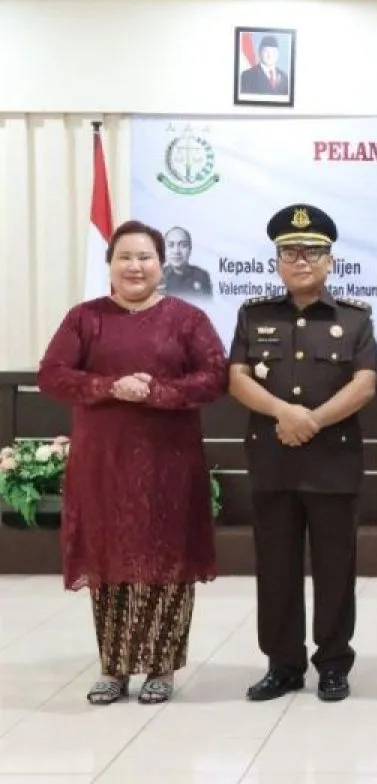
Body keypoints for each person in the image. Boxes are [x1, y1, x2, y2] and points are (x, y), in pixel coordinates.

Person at [36, 219, 228, 705]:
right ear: (110, 264)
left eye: (145, 257)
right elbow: (52, 375)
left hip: (170, 463)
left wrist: (157, 391)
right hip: (104, 463)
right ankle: (114, 666)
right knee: (108, 558)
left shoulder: (188, 319)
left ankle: (161, 667)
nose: (135, 266)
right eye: (125, 257)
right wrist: (109, 387)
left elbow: (214, 377)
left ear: (161, 265)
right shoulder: (85, 318)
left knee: (167, 558)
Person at [228, 204, 377, 703]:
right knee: (276, 568)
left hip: (332, 461)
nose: (301, 260)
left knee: (336, 569)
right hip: (273, 460)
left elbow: (364, 384)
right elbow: (237, 379)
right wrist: (283, 413)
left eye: (313, 252)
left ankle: (333, 663)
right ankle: (283, 663)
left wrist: (311, 420)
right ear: (276, 261)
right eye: (290, 252)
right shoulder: (254, 315)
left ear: (330, 261)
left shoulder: (354, 318)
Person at [161, 227, 213, 297]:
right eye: (171, 245)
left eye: (183, 245)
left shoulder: (202, 276)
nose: (176, 251)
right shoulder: (157, 277)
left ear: (190, 249)